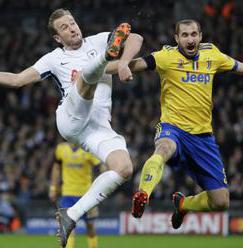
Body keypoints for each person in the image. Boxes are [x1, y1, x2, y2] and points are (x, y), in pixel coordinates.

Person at [107, 19, 243, 229]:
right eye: (185, 35)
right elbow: (134, 65)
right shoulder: (166, 57)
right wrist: (104, 69)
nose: (190, 39)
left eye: (193, 34)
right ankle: (143, 194)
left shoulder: (213, 55)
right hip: (173, 128)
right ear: (176, 38)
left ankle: (184, 204)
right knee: (163, 148)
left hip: (203, 138)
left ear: (200, 36)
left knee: (220, 202)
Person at [0, 8, 143, 247]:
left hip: (97, 128)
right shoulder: (54, 58)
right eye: (64, 27)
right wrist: (114, 64)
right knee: (86, 77)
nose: (72, 28)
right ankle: (103, 60)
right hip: (71, 118)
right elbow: (17, 80)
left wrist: (125, 63)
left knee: (124, 168)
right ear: (57, 38)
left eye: (72, 23)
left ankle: (72, 215)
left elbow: (136, 38)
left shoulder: (97, 39)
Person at [49, 142, 103, 248]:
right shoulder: (61, 149)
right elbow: (56, 168)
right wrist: (53, 188)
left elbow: (100, 168)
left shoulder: (88, 150)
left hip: (87, 195)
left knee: (90, 226)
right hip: (67, 194)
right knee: (67, 227)